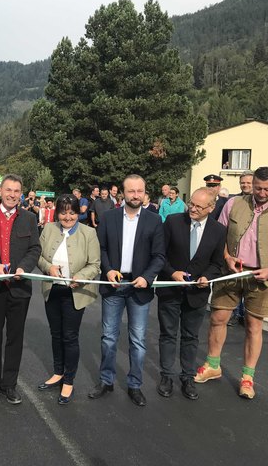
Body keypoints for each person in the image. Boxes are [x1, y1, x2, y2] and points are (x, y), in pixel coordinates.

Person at [195, 167, 268, 400]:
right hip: (230, 272)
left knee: (253, 326)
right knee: (218, 318)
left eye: (267, 189)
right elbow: (218, 235)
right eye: (258, 187)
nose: (261, 192)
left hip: (261, 277)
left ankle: (247, 378)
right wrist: (227, 258)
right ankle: (213, 365)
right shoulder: (233, 204)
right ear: (252, 184)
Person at [88, 174, 165, 407]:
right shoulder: (109, 218)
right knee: (109, 338)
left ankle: (134, 385)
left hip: (139, 286)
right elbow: (99, 248)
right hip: (114, 284)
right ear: (122, 193)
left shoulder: (154, 220)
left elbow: (159, 256)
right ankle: (106, 380)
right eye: (131, 191)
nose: (135, 195)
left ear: (144, 192)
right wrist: (108, 269)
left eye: (139, 191)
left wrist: (147, 277)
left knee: (138, 340)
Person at [0, 173, 41, 405]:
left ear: (21, 194)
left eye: (16, 191)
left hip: (19, 288)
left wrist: (23, 268)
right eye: (8, 190)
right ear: (0, 191)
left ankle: (9, 384)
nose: (12, 195)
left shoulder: (30, 218)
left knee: (15, 337)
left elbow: (35, 248)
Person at [156, 188, 226, 400]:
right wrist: (172, 272)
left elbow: (217, 263)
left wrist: (206, 277)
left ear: (211, 208)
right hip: (170, 290)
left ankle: (187, 377)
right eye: (191, 204)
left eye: (198, 206)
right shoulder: (173, 222)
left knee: (190, 336)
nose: (192, 209)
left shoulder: (219, 230)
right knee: (168, 334)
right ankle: (166, 375)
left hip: (197, 293)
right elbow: (160, 255)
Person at [37, 194, 100, 404]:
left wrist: (81, 277)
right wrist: (49, 267)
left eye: (72, 212)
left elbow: (95, 264)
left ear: (78, 212)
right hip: (53, 290)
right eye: (63, 212)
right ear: (57, 213)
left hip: (75, 293)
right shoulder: (48, 229)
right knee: (55, 334)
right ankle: (58, 372)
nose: (67, 217)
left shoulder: (89, 233)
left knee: (69, 336)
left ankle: (69, 380)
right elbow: (38, 255)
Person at [227, 171, 254, 326]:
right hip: (234, 255)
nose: (245, 185)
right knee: (233, 287)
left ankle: (244, 315)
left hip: (252, 258)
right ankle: (234, 313)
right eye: (243, 182)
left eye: (248, 183)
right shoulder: (234, 201)